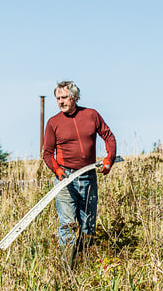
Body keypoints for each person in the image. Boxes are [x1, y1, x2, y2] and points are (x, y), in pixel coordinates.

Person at [40, 80, 117, 246]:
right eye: (58, 98)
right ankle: (68, 267)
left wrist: (109, 159)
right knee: (68, 225)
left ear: (74, 97)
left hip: (88, 176)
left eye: (65, 97)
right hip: (65, 179)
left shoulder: (91, 115)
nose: (61, 101)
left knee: (88, 225)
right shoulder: (53, 122)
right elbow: (47, 153)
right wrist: (57, 170)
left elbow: (109, 136)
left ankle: (86, 264)